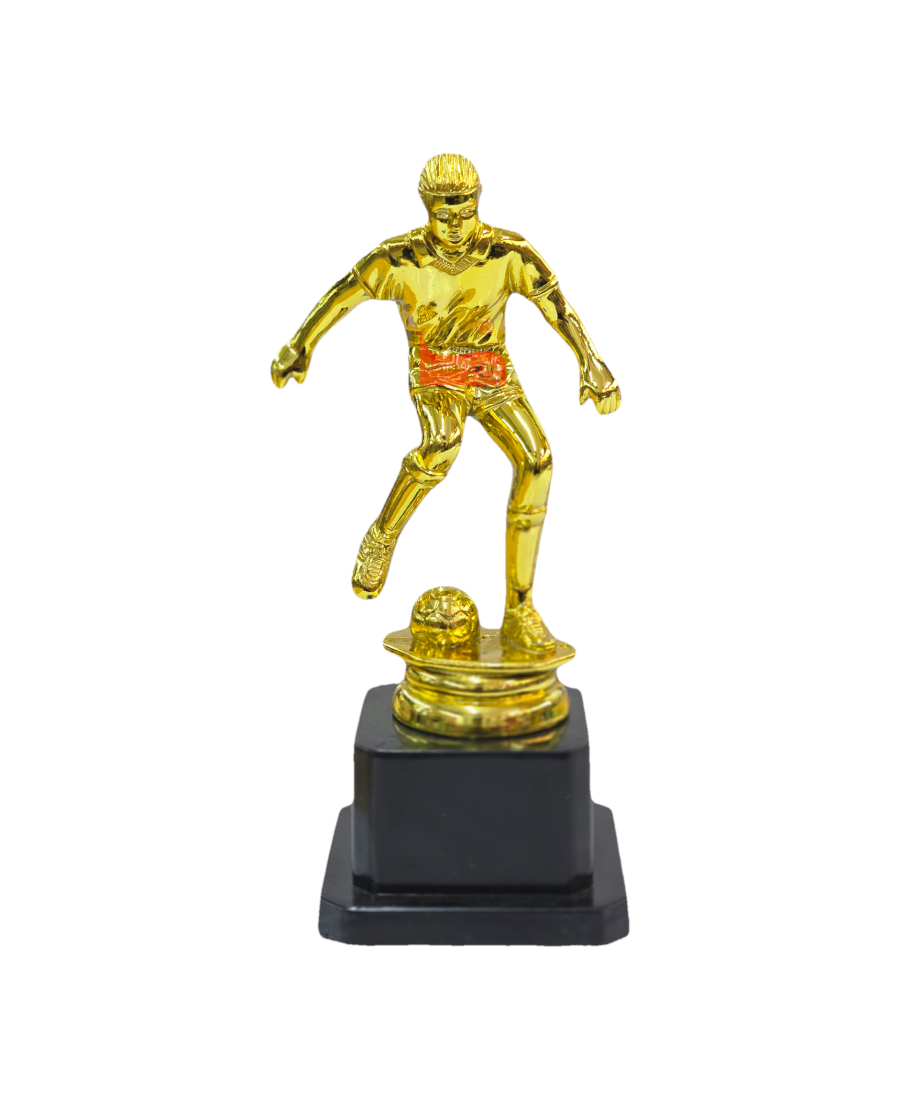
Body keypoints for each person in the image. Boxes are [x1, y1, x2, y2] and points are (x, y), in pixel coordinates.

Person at [271, 153, 621, 651]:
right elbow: (343, 295)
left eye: (465, 213)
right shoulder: (401, 258)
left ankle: (520, 609)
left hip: (492, 371)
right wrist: (300, 345)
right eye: (444, 215)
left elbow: (556, 307)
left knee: (538, 460)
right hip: (435, 369)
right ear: (426, 210)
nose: (456, 227)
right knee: (442, 444)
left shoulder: (507, 253)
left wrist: (590, 361)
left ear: (478, 204)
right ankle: (384, 533)